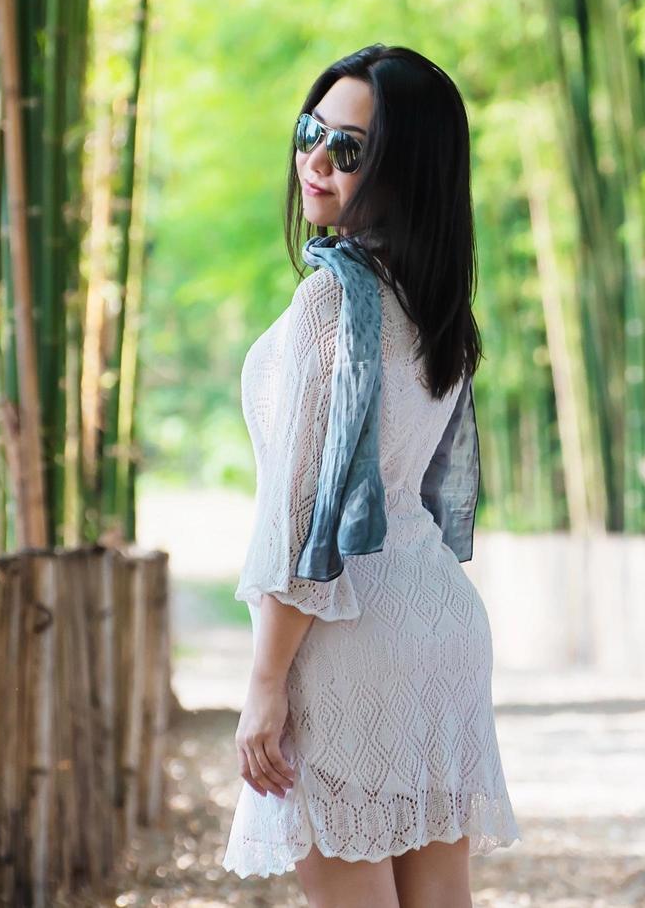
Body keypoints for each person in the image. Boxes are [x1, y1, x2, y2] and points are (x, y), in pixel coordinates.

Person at [220, 44, 520, 906]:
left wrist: (265, 684)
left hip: (349, 638)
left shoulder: (332, 300)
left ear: (404, 166)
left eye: (348, 148)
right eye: (311, 133)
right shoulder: (431, 301)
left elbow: (305, 510)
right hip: (438, 627)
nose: (315, 160)